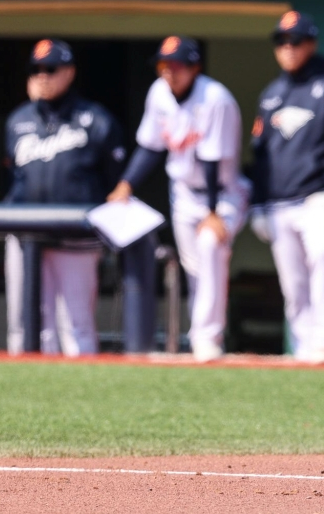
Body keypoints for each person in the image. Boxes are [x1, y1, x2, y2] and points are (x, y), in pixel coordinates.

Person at [107, 36, 249, 363]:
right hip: (184, 191)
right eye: (163, 65)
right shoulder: (158, 93)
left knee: (211, 247)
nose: (169, 72)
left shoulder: (215, 98)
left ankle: (207, 338)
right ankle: (201, 336)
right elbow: (150, 145)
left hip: (223, 192)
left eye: (177, 66)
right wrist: (126, 184)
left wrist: (212, 211)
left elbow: (212, 160)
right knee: (194, 267)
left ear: (195, 67)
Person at [249, 11, 324, 364]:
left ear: (311, 44)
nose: (288, 48)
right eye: (281, 42)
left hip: (319, 198)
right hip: (279, 202)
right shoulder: (272, 93)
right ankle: (303, 344)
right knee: (292, 280)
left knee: (322, 260)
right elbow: (259, 154)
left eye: (295, 41)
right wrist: (257, 204)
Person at [4, 38, 125, 356]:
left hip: (76, 236)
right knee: (25, 324)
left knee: (76, 324)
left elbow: (114, 181)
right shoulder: (18, 121)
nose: (42, 75)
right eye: (36, 69)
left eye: (51, 68)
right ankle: (21, 398)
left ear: (69, 72)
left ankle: (80, 400)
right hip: (25, 235)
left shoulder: (95, 119)